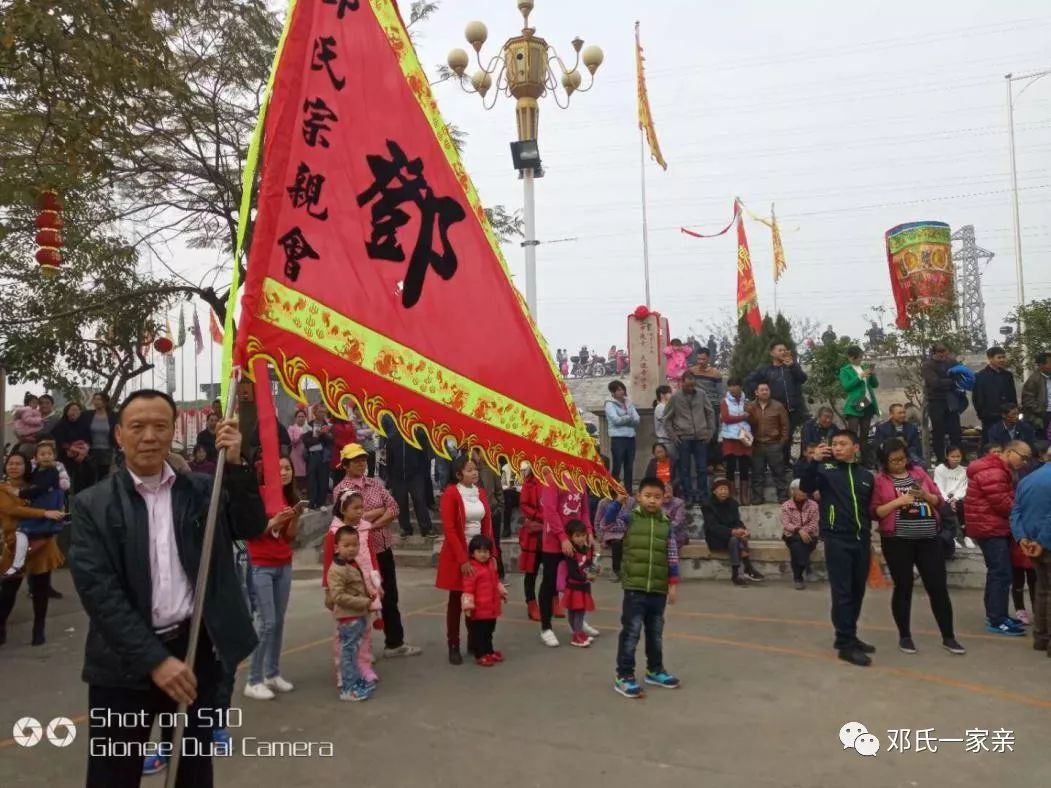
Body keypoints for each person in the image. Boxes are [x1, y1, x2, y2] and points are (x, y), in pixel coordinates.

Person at [69, 389, 267, 787]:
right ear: (120, 435)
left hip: (194, 651)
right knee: (113, 774)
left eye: (160, 426)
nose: (149, 436)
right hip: (122, 663)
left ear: (173, 431)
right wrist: (154, 660)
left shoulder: (201, 492)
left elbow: (251, 527)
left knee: (193, 770)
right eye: (138, 427)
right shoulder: (93, 504)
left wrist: (237, 465)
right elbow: (99, 593)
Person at [871, 439, 965, 655]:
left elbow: (939, 501)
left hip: (929, 539)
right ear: (885, 462)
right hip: (897, 541)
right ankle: (905, 636)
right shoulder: (880, 481)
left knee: (938, 587)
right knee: (903, 587)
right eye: (893, 461)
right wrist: (898, 502)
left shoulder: (919, 474)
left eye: (902, 459)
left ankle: (948, 637)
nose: (899, 463)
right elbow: (875, 512)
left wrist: (926, 496)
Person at [332, 443, 421, 659]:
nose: (361, 464)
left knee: (389, 594)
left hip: (382, 547)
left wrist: (370, 522)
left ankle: (395, 641)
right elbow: (348, 519)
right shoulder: (342, 490)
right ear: (345, 465)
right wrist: (376, 513)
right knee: (361, 598)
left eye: (363, 460)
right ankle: (360, 650)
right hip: (358, 555)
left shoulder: (374, 483)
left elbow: (394, 508)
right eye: (356, 461)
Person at [800, 430, 877, 667]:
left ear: (856, 448)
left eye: (843, 444)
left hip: (861, 540)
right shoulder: (825, 471)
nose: (838, 448)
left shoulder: (866, 475)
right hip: (837, 540)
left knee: (857, 591)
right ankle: (845, 644)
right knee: (842, 593)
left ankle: (850, 635)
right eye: (834, 444)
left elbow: (868, 507)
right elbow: (805, 486)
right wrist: (814, 461)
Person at [604, 477, 681, 698]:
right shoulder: (630, 519)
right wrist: (617, 503)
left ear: (664, 499)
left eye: (657, 497)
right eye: (647, 496)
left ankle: (654, 670)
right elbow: (607, 525)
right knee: (631, 632)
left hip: (658, 589)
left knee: (655, 633)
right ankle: (624, 675)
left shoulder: (666, 524)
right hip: (635, 588)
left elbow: (672, 556)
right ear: (638, 497)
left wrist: (672, 585)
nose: (652, 501)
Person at [243, 457, 300, 701]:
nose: (284, 472)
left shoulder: (290, 498)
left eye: (288, 468)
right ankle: (252, 680)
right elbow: (250, 531)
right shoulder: (259, 495)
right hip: (261, 565)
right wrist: (273, 522)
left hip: (283, 564)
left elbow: (289, 538)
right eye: (279, 469)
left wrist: (295, 517)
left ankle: (272, 673)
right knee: (265, 622)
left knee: (278, 621)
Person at [965, 440, 1032, 636]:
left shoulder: (997, 469)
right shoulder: (994, 471)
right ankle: (996, 618)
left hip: (990, 526)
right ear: (1010, 452)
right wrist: (1023, 513)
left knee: (998, 572)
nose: (1025, 462)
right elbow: (1003, 503)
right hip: (990, 528)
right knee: (1001, 573)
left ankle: (997, 614)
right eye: (1023, 457)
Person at [0, 452, 65, 646]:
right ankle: (1, 627)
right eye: (10, 464)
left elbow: (57, 504)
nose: (13, 467)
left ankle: (39, 630)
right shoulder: (3, 489)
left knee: (41, 590)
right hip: (15, 545)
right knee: (8, 590)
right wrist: (44, 513)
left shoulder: (39, 487)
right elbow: (13, 510)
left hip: (42, 543)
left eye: (18, 464)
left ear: (26, 467)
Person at [436, 454, 495, 665]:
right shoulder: (451, 493)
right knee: (457, 600)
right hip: (457, 554)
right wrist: (463, 560)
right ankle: (453, 643)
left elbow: (488, 525)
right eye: (469, 469)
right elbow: (450, 529)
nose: (475, 472)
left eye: (476, 468)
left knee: (477, 599)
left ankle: (475, 640)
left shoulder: (480, 492)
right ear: (459, 473)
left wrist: (492, 554)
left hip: (479, 553)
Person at [538, 479, 595, 647]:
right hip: (555, 542)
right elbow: (550, 510)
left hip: (576, 541)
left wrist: (589, 531)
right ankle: (546, 628)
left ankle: (577, 624)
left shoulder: (580, 480)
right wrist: (563, 538)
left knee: (578, 584)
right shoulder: (551, 478)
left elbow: (584, 511)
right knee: (549, 585)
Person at [325, 525, 375, 701]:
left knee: (354, 652)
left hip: (357, 616)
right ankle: (348, 688)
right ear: (336, 547)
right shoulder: (337, 570)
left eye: (355, 545)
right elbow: (338, 596)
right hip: (348, 617)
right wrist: (364, 602)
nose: (352, 549)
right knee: (347, 653)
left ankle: (355, 681)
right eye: (347, 545)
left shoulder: (351, 564)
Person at [1010, 458, 1051, 657]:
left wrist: (1022, 538)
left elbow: (1016, 510)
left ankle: (1041, 637)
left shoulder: (1028, 480)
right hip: (1044, 542)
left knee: (1043, 591)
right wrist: (1041, 540)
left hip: (1032, 542)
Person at [746, 342, 809, 464]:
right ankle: (769, 463)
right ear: (772, 353)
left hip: (792, 409)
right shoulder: (765, 369)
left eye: (785, 350)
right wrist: (761, 394)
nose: (783, 352)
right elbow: (750, 380)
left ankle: (785, 462)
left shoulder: (792, 367)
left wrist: (792, 366)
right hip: (773, 410)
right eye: (780, 350)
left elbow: (802, 379)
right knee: (773, 437)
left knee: (788, 437)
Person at [664, 372, 716, 505]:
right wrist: (673, 436)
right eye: (688, 385)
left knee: (702, 468)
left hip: (701, 437)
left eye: (693, 385)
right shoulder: (675, 397)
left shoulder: (701, 394)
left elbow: (710, 413)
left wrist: (710, 432)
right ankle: (687, 495)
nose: (691, 388)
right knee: (685, 469)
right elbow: (666, 419)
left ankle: (703, 495)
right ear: (682, 383)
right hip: (684, 438)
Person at [703, 477, 762, 586]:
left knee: (739, 538)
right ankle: (741, 571)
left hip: (732, 535)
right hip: (715, 537)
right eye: (721, 489)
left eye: (726, 489)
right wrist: (733, 532)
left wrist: (743, 530)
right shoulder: (707, 505)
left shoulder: (733, 503)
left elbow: (737, 521)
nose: (724, 492)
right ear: (714, 491)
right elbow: (713, 527)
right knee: (735, 539)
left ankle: (743, 572)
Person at [382, 418, 434, 538]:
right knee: (401, 503)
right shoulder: (392, 439)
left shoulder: (419, 436)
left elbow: (424, 458)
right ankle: (406, 528)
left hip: (416, 476)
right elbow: (389, 460)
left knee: (420, 500)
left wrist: (422, 474)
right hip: (398, 477)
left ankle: (426, 528)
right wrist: (389, 479)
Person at [461, 534, 508, 665]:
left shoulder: (491, 566)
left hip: (491, 609)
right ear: (472, 553)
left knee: (489, 632)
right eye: (479, 551)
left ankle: (489, 651)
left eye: (486, 551)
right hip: (479, 610)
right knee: (480, 635)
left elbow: (495, 582)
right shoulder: (471, 569)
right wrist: (468, 607)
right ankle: (480, 654)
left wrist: (502, 592)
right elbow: (467, 590)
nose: (483, 554)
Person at [747, 383, 790, 504]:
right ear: (756, 392)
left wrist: (782, 442)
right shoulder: (750, 406)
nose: (765, 392)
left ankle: (783, 497)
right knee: (757, 474)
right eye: (762, 390)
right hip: (757, 445)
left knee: (779, 473)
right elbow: (745, 424)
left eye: (767, 390)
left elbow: (785, 425)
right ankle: (757, 498)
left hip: (774, 444)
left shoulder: (778, 406)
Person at [923, 343, 963, 464]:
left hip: (951, 400)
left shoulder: (951, 362)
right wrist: (951, 381)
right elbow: (934, 383)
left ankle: (959, 457)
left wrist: (950, 381)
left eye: (944, 352)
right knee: (938, 432)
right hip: (935, 400)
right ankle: (941, 458)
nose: (942, 356)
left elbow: (961, 376)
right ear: (934, 353)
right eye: (939, 353)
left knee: (955, 431)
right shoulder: (927, 365)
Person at [839, 346, 879, 463]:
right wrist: (859, 377)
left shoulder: (864, 367)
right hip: (855, 405)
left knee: (865, 434)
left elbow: (875, 385)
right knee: (852, 434)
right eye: (858, 357)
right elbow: (847, 386)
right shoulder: (845, 370)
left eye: (862, 357)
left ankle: (865, 461)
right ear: (851, 358)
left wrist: (872, 374)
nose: (860, 359)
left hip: (867, 403)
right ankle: (852, 459)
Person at [561, 520, 597, 648]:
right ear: (570, 537)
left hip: (584, 586)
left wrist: (594, 570)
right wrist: (585, 577)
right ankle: (576, 635)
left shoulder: (587, 549)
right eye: (577, 536)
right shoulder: (571, 552)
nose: (581, 538)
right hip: (574, 586)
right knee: (576, 612)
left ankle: (578, 632)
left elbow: (588, 565)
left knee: (579, 612)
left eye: (583, 535)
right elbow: (572, 572)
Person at [516, 462, 544, 620]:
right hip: (534, 534)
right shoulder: (529, 482)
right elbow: (524, 505)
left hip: (550, 533)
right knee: (531, 572)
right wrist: (540, 517)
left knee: (552, 570)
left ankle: (552, 599)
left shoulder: (555, 481)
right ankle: (531, 603)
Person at [973, 346, 1018, 443]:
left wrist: (1014, 411)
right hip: (990, 417)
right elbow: (977, 397)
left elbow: (1012, 395)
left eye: (1003, 357)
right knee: (991, 444)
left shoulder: (1007, 375)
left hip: (1008, 416)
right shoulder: (981, 376)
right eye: (999, 357)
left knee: (1008, 442)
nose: (1002, 360)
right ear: (990, 358)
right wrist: (983, 414)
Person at [719, 378, 753, 504]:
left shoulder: (747, 401)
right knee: (730, 467)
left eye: (735, 386)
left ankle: (744, 496)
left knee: (744, 466)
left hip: (744, 437)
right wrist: (743, 416)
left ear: (740, 387)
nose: (732, 388)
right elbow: (726, 418)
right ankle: (732, 495)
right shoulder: (724, 402)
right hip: (730, 437)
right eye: (730, 386)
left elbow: (752, 417)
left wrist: (749, 413)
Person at [781, 480, 819, 589]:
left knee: (797, 547)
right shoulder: (786, 506)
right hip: (792, 535)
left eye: (804, 490)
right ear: (793, 491)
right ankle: (806, 566)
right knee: (797, 543)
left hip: (810, 535)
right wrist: (799, 531)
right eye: (800, 490)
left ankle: (798, 578)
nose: (802, 493)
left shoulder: (813, 505)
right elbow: (786, 524)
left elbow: (814, 522)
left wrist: (805, 532)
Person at [605, 380, 641, 493]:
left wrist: (625, 418)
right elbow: (615, 420)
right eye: (618, 390)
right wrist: (628, 417)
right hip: (618, 439)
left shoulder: (629, 402)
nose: (622, 391)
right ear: (613, 392)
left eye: (622, 389)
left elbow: (637, 419)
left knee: (629, 466)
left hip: (630, 438)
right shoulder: (609, 404)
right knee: (617, 466)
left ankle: (629, 491)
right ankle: (614, 490)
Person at [51, 402, 94, 494]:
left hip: (82, 456)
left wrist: (82, 453)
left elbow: (89, 441)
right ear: (67, 411)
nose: (74, 412)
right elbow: (59, 442)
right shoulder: (61, 425)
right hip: (65, 456)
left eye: (77, 410)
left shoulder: (84, 424)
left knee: (86, 472)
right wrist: (74, 450)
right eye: (72, 410)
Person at [934, 446, 973, 549]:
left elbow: (963, 487)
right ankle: (952, 537)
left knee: (963, 507)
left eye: (958, 456)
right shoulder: (940, 469)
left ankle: (967, 536)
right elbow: (939, 487)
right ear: (947, 456)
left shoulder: (964, 470)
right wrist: (948, 499)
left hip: (957, 498)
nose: (956, 459)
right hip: (943, 497)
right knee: (945, 508)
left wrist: (955, 498)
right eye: (953, 456)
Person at [302, 406, 334, 509]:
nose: (322, 414)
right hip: (312, 456)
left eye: (324, 412)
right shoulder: (308, 425)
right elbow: (306, 442)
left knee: (323, 479)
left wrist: (325, 435)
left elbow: (331, 441)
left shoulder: (328, 425)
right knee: (311, 480)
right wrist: (318, 437)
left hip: (323, 456)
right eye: (320, 411)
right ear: (314, 412)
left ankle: (321, 502)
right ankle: (311, 503)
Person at [1020, 351, 1051, 441]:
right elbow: (1027, 400)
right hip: (1043, 415)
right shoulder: (1034, 380)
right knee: (1044, 441)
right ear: (1041, 365)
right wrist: (1041, 412)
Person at [88, 392, 119, 480]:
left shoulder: (113, 416)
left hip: (107, 451)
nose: (96, 402)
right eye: (95, 399)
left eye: (99, 399)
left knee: (104, 476)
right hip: (90, 450)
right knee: (90, 476)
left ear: (105, 402)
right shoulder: (88, 415)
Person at [1010, 535, 1036, 627]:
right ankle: (1020, 609)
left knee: (1034, 583)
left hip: (1033, 547)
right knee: (1018, 582)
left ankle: (1037, 610)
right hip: (1017, 546)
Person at [328, 416, 358, 488]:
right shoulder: (333, 426)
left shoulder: (349, 424)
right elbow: (335, 440)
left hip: (347, 454)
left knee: (347, 478)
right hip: (339, 455)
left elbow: (353, 437)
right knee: (338, 479)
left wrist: (347, 446)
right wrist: (348, 446)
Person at [286, 409, 309, 489]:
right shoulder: (291, 428)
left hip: (306, 455)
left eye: (303, 416)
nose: (301, 418)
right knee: (296, 476)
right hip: (296, 455)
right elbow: (291, 441)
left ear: (305, 418)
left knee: (306, 477)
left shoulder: (309, 428)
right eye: (299, 416)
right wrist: (300, 437)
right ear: (295, 418)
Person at [499, 458, 521, 539]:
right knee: (508, 497)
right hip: (509, 494)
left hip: (521, 493)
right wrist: (508, 487)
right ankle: (506, 529)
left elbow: (527, 485)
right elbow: (502, 484)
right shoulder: (506, 468)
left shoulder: (525, 467)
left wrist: (517, 488)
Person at [663, 483, 688, 548]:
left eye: (668, 493)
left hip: (676, 533)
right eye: (663, 493)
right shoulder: (657, 502)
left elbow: (678, 522)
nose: (665, 496)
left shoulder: (679, 503)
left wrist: (663, 529)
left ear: (672, 493)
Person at [653, 385, 674, 456]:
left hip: (671, 440)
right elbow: (667, 421)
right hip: (665, 441)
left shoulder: (667, 406)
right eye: (669, 392)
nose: (671, 394)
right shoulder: (660, 407)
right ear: (662, 394)